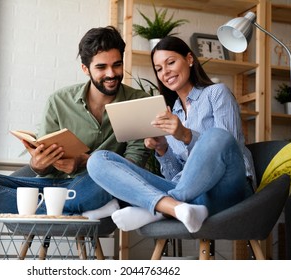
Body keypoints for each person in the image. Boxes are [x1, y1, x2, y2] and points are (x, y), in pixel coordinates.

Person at [87, 36, 256, 233]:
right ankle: (174, 208)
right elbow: (175, 175)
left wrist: (185, 135)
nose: (165, 72)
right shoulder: (170, 113)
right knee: (98, 160)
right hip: (194, 198)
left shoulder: (216, 93)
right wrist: (162, 149)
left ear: (189, 59)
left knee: (217, 135)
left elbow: (228, 148)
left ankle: (157, 209)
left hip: (229, 189)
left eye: (171, 62)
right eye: (158, 69)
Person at [0, 26, 150, 218]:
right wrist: (38, 164)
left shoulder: (138, 101)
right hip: (53, 186)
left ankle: (44, 209)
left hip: (94, 185)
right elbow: (42, 169)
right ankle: (66, 210)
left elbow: (132, 167)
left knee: (114, 183)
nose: (111, 73)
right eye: (101, 67)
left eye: (117, 65)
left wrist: (84, 162)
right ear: (85, 69)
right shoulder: (59, 101)